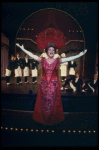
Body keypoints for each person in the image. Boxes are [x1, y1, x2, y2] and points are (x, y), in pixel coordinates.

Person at [16, 42, 87, 125]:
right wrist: (23, 49)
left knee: (52, 102)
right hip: (44, 85)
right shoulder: (42, 60)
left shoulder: (58, 60)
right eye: (50, 49)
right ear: (47, 51)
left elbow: (69, 58)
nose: (51, 51)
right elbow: (32, 55)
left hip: (53, 84)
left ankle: (51, 118)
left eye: (53, 50)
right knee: (44, 101)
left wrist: (79, 55)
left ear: (54, 52)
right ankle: (44, 117)